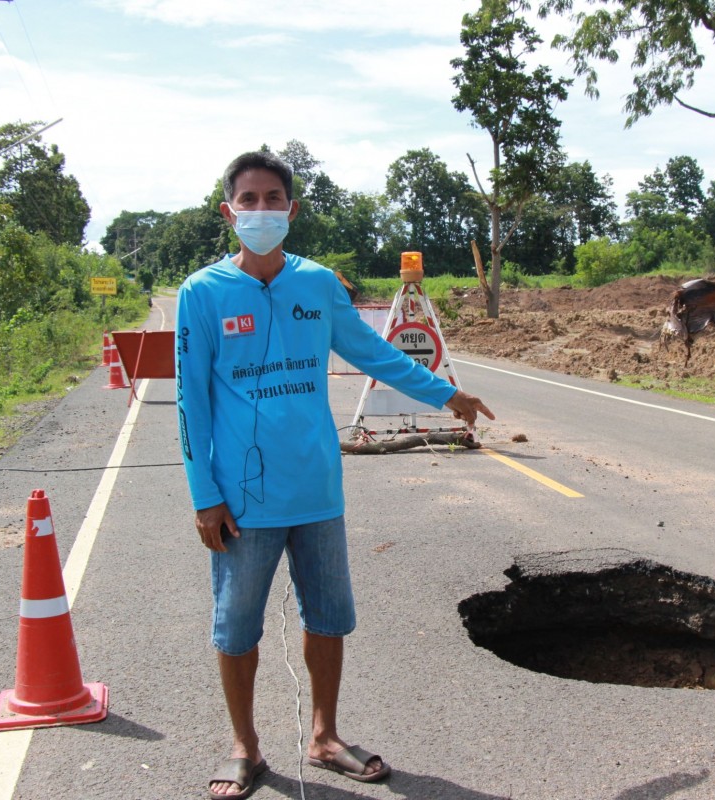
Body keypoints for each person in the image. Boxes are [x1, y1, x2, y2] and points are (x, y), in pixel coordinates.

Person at [175, 150, 494, 799]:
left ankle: (325, 736)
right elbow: (192, 402)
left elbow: (373, 351)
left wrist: (445, 394)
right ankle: (246, 747)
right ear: (228, 210)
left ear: (290, 211)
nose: (261, 210)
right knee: (236, 628)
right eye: (249, 198)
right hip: (241, 501)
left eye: (273, 199)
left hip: (316, 490)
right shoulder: (202, 294)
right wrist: (205, 497)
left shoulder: (317, 284)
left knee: (329, 619)